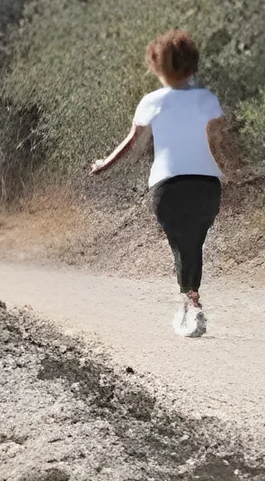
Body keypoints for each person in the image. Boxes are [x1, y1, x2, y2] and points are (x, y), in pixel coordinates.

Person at [91, 29, 238, 338]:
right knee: (194, 241)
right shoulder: (207, 99)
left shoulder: (151, 101)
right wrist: (233, 169)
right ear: (191, 64)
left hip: (168, 186)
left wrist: (104, 164)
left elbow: (131, 144)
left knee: (181, 243)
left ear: (158, 65)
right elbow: (222, 140)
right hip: (207, 186)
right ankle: (190, 298)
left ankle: (191, 302)